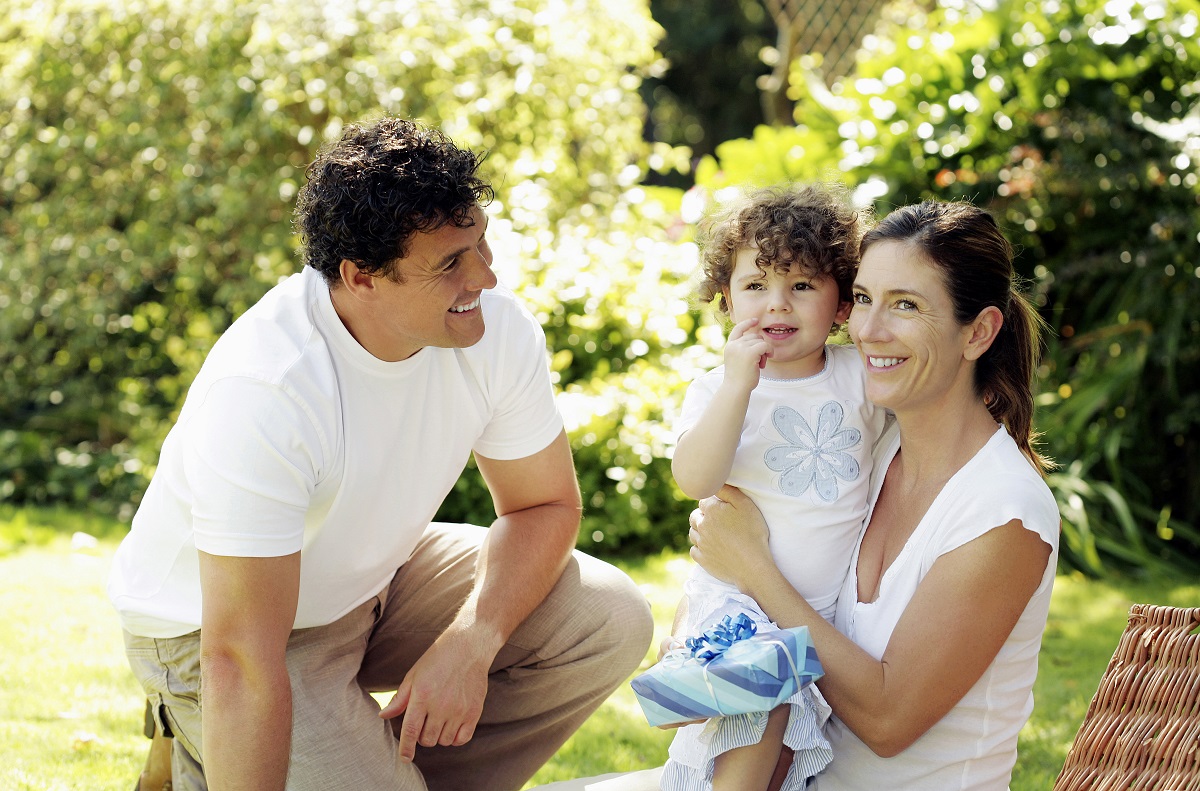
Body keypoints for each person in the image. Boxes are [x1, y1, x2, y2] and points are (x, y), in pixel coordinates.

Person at [108, 116, 654, 791]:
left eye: (479, 243)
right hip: (214, 631)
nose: (483, 276)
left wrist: (471, 639)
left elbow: (545, 504)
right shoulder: (270, 387)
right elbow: (238, 657)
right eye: (449, 263)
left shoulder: (494, 331)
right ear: (361, 276)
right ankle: (195, 736)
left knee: (606, 616)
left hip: (368, 583)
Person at [687, 199, 1060, 790]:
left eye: (905, 305)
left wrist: (753, 571)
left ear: (980, 331)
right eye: (862, 298)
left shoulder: (1002, 515)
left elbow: (887, 722)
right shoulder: (874, 449)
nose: (867, 330)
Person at [661, 186, 886, 791]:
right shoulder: (717, 388)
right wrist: (739, 386)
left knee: (785, 756)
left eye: (803, 286)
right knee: (764, 702)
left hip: (815, 612)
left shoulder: (859, 377)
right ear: (726, 296)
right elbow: (694, 480)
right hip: (735, 600)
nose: (776, 306)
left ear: (842, 303)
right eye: (755, 286)